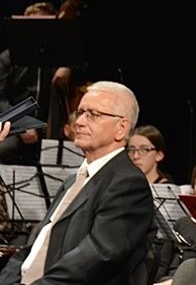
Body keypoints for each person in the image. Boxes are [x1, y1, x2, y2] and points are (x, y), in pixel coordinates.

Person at [0, 80, 155, 284]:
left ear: (121, 128)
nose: (79, 122)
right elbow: (33, 248)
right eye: (80, 112)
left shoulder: (128, 184)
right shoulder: (74, 180)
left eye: (93, 114)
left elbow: (95, 259)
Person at [0, 1, 72, 165]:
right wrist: (20, 122)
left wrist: (68, 67)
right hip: (16, 127)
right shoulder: (8, 58)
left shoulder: (61, 56)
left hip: (53, 129)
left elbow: (89, 65)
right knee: (3, 149)